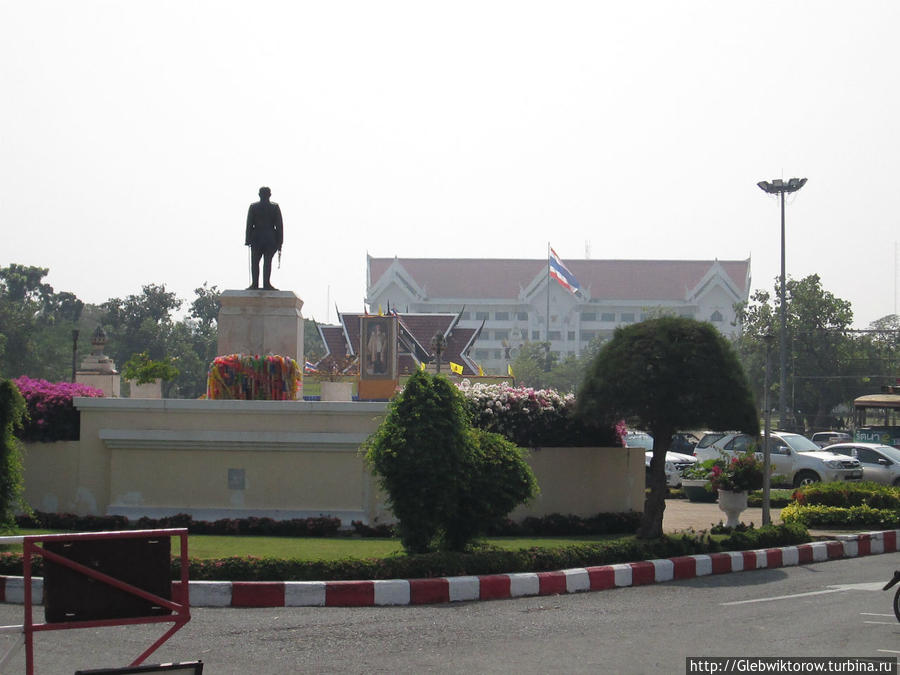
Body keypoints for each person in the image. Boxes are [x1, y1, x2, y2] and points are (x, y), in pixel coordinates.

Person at [245, 186, 283, 290]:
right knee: (267, 262)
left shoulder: (253, 207)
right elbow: (279, 226)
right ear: (269, 195)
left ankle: (255, 284)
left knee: (255, 262)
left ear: (259, 195)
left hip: (257, 237)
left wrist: (248, 239)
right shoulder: (274, 207)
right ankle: (266, 284)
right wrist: (280, 242)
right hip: (270, 238)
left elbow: (249, 225)